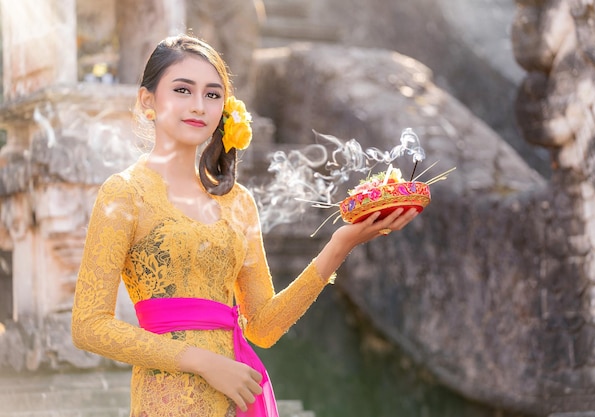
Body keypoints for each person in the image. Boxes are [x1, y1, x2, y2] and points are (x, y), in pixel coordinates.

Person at [71, 33, 418, 417]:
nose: (199, 106)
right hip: (165, 402)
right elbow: (89, 324)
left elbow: (263, 326)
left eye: (212, 94)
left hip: (237, 401)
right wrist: (202, 362)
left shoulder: (238, 203)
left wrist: (339, 245)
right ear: (148, 101)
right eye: (183, 90)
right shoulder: (123, 194)